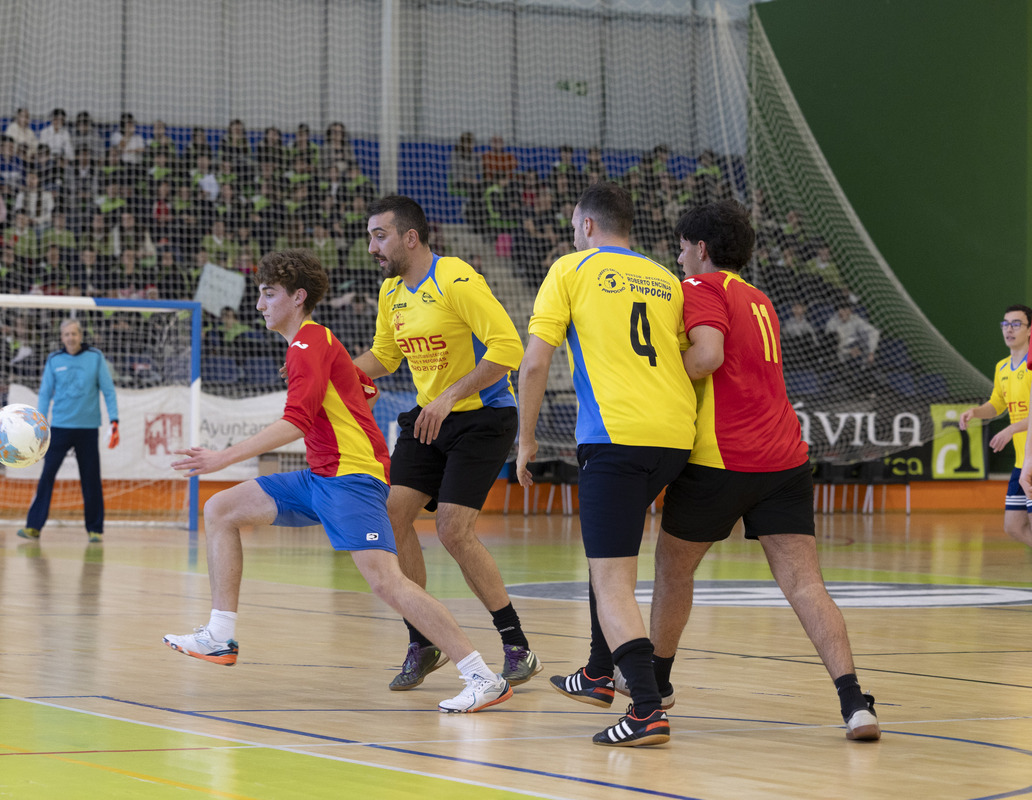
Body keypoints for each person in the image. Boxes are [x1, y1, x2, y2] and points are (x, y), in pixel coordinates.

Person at [164, 250, 513, 714]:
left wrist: (222, 457)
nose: (259, 305)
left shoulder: (309, 344)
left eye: (269, 295)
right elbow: (364, 389)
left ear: (297, 297)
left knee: (389, 584)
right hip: (321, 476)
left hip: (351, 480)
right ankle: (220, 634)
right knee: (221, 509)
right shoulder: (316, 346)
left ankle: (480, 675)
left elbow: (294, 422)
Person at [650, 199, 880, 741]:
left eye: (682, 246)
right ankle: (854, 702)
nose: (679, 257)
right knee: (805, 584)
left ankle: (657, 685)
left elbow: (705, 357)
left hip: (722, 459)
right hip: (786, 458)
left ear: (700, 248)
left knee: (672, 568)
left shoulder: (700, 289)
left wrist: (656, 382)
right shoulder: (760, 299)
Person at [515, 182, 694, 747]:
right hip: (674, 437)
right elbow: (688, 357)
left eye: (574, 225)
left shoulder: (571, 268)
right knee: (608, 558)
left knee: (612, 578)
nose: (573, 234)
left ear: (587, 225)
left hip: (616, 439)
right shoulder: (666, 278)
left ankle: (645, 708)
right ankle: (596, 673)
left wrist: (524, 440)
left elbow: (536, 363)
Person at [351, 195, 541, 692]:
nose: (372, 246)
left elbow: (509, 349)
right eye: (371, 235)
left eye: (379, 235)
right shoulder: (392, 292)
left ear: (410, 237)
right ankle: (423, 639)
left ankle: (517, 644)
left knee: (455, 532)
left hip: (481, 416)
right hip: (429, 418)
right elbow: (386, 357)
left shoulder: (455, 278)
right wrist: (331, 372)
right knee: (392, 515)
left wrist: (449, 397)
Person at [18, 318, 119, 544]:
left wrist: (115, 420)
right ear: (61, 337)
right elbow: (44, 393)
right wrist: (39, 422)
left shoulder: (95, 357)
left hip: (88, 429)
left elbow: (109, 391)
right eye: (66, 334)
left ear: (80, 335)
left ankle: (95, 529)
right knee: (47, 476)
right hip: (60, 428)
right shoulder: (54, 360)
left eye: (74, 333)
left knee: (90, 479)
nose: (70, 338)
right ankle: (33, 526)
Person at [964, 304, 1032, 547]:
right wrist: (976, 412)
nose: (1009, 329)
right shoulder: (1002, 367)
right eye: (1005, 324)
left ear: (1030, 330)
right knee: (1013, 526)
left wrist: (1011, 428)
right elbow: (997, 404)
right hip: (1020, 461)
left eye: (1016, 324)